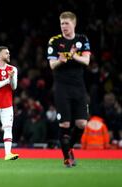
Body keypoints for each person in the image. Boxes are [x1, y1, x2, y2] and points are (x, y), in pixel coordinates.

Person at [47, 11, 91, 167]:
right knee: (65, 124)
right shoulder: (54, 41)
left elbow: (86, 61)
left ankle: (69, 147)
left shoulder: (82, 39)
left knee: (82, 124)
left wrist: (73, 57)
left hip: (78, 86)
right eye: (61, 23)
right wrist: (60, 60)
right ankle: (67, 158)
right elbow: (52, 65)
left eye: (66, 23)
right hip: (62, 87)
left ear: (74, 24)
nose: (63, 26)